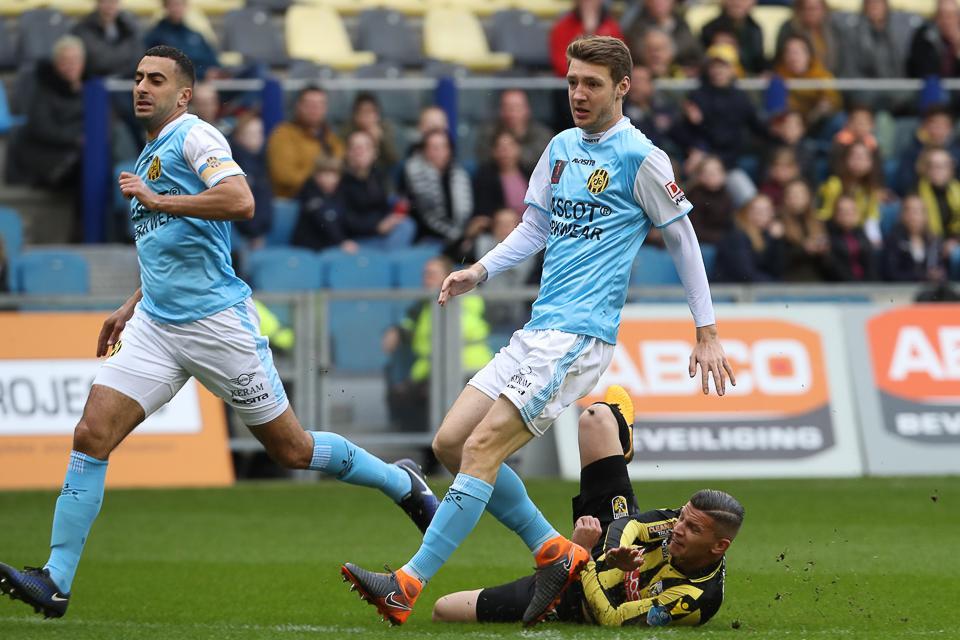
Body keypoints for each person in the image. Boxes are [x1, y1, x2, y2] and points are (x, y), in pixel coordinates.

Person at [0, 46, 439, 620]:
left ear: (183, 94)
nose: (142, 87)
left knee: (291, 449)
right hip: (156, 326)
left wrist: (160, 198)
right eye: (138, 77)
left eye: (156, 80)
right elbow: (168, 246)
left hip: (215, 325)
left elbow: (241, 200)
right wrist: (130, 303)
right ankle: (55, 579)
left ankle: (401, 483)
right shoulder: (152, 150)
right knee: (91, 433)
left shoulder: (195, 136)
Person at [340, 35, 734, 629]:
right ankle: (556, 552)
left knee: (481, 450)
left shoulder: (642, 157)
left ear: (623, 87)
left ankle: (407, 582)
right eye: (572, 81)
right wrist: (479, 270)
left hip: (579, 337)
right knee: (451, 444)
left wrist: (706, 329)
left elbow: (681, 238)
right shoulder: (560, 147)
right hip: (538, 329)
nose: (578, 93)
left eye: (592, 83)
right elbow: (534, 227)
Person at [432, 387, 745, 627]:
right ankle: (622, 436)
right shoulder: (679, 522)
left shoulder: (694, 600)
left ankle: (418, 496)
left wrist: (583, 555)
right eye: (683, 518)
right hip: (602, 539)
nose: (678, 527)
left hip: (571, 593)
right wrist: (613, 551)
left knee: (444, 609)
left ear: (719, 546)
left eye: (693, 528)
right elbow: (632, 525)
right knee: (596, 417)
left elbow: (611, 618)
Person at [383, 256, 493, 433]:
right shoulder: (422, 305)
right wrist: (396, 331)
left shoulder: (467, 296)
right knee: (402, 395)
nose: (427, 279)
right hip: (431, 370)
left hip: (469, 368)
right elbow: (405, 327)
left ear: (448, 276)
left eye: (432, 274)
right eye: (425, 275)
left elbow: (476, 286)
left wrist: (467, 276)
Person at [672, 43, 768, 208]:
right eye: (714, 66)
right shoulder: (697, 95)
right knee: (681, 204)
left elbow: (757, 128)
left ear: (733, 69)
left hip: (729, 164)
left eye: (723, 66)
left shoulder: (741, 98)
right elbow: (679, 133)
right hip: (702, 165)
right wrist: (695, 139)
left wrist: (777, 131)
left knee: (750, 201)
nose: (718, 71)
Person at [9, 35, 86, 215]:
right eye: (65, 61)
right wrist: (77, 138)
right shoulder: (43, 87)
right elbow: (42, 128)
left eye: (75, 61)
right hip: (47, 157)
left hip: (77, 154)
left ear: (83, 63)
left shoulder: (91, 90)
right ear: (56, 64)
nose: (70, 66)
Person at [340, 129, 415, 250]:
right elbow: (344, 219)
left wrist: (392, 218)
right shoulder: (339, 181)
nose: (360, 152)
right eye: (355, 147)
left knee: (406, 224)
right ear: (347, 152)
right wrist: (376, 226)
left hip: (382, 233)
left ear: (374, 153)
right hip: (356, 238)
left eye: (365, 147)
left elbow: (384, 206)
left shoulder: (378, 175)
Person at [266, 86, 344, 199]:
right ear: (298, 106)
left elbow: (340, 170)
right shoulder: (283, 134)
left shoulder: (332, 138)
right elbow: (284, 176)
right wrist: (320, 176)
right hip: (292, 201)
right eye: (309, 104)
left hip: (327, 200)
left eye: (319, 105)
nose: (315, 109)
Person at [401, 128, 474, 249]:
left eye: (443, 147)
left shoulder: (460, 175)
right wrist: (457, 237)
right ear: (424, 151)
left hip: (459, 237)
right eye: (434, 148)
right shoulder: (413, 174)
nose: (439, 152)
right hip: (426, 239)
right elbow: (422, 216)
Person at [817, 141, 884, 246]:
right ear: (845, 160)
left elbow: (872, 217)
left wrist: (875, 239)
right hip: (835, 235)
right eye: (855, 156)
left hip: (858, 235)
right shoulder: (834, 185)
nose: (859, 161)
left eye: (864, 157)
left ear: (871, 162)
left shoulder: (871, 189)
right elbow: (824, 216)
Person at [772, 35, 842, 133]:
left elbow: (834, 101)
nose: (793, 57)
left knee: (839, 119)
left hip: (817, 121)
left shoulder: (821, 75)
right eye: (788, 52)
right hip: (789, 123)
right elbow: (776, 109)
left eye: (796, 52)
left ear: (808, 54)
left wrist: (824, 107)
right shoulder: (778, 76)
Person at [476, 90, 555, 175]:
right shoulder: (488, 132)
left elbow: (546, 159)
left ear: (527, 110)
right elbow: (482, 155)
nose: (512, 113)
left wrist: (517, 154)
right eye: (507, 107)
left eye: (517, 107)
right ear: (500, 110)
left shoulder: (543, 134)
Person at [713, 194, 785, 282]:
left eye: (766, 210)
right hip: (731, 287)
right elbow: (746, 274)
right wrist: (776, 284)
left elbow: (776, 270)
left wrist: (775, 241)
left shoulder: (767, 235)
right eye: (757, 210)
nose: (762, 214)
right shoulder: (737, 236)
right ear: (747, 212)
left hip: (757, 285)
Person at [291, 156, 355, 253]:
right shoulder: (309, 190)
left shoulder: (340, 192)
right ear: (316, 175)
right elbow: (323, 217)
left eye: (335, 174)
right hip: (307, 247)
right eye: (326, 174)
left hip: (331, 245)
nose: (331, 179)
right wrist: (342, 241)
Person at [144, 0, 219, 80]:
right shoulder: (156, 36)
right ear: (165, 7)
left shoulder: (194, 34)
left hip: (203, 80)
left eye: (180, 4)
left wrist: (213, 71)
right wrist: (202, 73)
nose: (177, 9)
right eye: (173, 5)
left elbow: (212, 60)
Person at [549, 0, 625, 78]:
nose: (588, 2)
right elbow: (561, 66)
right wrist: (588, 33)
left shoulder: (612, 28)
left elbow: (618, 64)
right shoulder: (562, 27)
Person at [895, 106, 960, 196]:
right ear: (924, 126)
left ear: (950, 129)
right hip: (920, 197)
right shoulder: (912, 153)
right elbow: (903, 184)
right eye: (934, 124)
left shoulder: (957, 153)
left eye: (943, 125)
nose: (938, 129)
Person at [230, 113, 273, 249]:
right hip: (241, 234)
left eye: (259, 133)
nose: (258, 138)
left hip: (259, 232)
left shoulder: (262, 162)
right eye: (251, 134)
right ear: (239, 136)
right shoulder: (235, 164)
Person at [71, 0, 143, 79]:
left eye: (113, 2)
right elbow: (97, 61)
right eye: (104, 1)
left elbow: (138, 58)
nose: (109, 6)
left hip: (127, 80)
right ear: (97, 3)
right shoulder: (83, 29)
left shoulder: (130, 27)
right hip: (94, 81)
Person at [622, 0, 701, 71]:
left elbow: (694, 50)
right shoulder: (637, 26)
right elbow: (635, 48)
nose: (659, 2)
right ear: (647, 2)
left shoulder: (682, 25)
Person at [882, 194, 944, 282]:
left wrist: (938, 274)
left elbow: (940, 268)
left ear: (925, 216)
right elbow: (891, 273)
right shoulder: (893, 240)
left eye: (917, 212)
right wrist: (923, 276)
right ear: (902, 215)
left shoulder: (933, 241)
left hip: (929, 289)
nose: (912, 216)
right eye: (908, 211)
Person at [472, 129, 531, 220]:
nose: (505, 152)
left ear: (519, 149)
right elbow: (484, 211)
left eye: (510, 146)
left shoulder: (529, 173)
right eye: (500, 147)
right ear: (493, 152)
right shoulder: (485, 177)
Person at [780, 179, 830, 281]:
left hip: (817, 279)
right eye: (793, 194)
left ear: (808, 197)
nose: (797, 197)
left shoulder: (818, 223)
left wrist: (823, 250)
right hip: (789, 281)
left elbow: (828, 263)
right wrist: (804, 249)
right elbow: (778, 259)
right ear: (785, 198)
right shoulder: (778, 223)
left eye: (800, 193)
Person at [776, 0, 843, 74]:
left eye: (814, 8)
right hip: (796, 78)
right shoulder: (789, 29)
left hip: (831, 76)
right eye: (805, 9)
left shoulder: (834, 29)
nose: (810, 13)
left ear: (824, 9)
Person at [700, 0, 766, 76]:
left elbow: (758, 60)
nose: (737, 2)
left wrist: (766, 71)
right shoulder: (710, 29)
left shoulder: (755, 29)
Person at [340, 92, 399, 175]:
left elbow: (393, 159)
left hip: (381, 171)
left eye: (370, 112)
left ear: (377, 115)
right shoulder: (348, 130)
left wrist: (380, 140)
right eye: (362, 112)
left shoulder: (385, 128)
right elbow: (341, 157)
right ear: (355, 115)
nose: (366, 116)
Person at [823, 194, 879, 282]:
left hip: (866, 284)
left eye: (851, 210)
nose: (847, 215)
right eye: (843, 211)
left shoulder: (861, 232)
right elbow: (836, 268)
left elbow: (870, 264)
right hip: (842, 285)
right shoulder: (829, 235)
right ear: (835, 214)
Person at [686, 154, 734, 245]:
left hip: (722, 240)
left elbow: (730, 224)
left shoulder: (727, 195)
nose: (712, 175)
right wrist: (721, 238)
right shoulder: (695, 196)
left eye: (716, 171)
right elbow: (694, 230)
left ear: (724, 174)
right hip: (701, 242)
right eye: (707, 172)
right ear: (699, 176)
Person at [907, 0, 960, 80]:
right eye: (942, 16)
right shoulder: (925, 36)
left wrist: (957, 48)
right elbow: (924, 69)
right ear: (936, 18)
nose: (946, 21)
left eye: (950, 16)